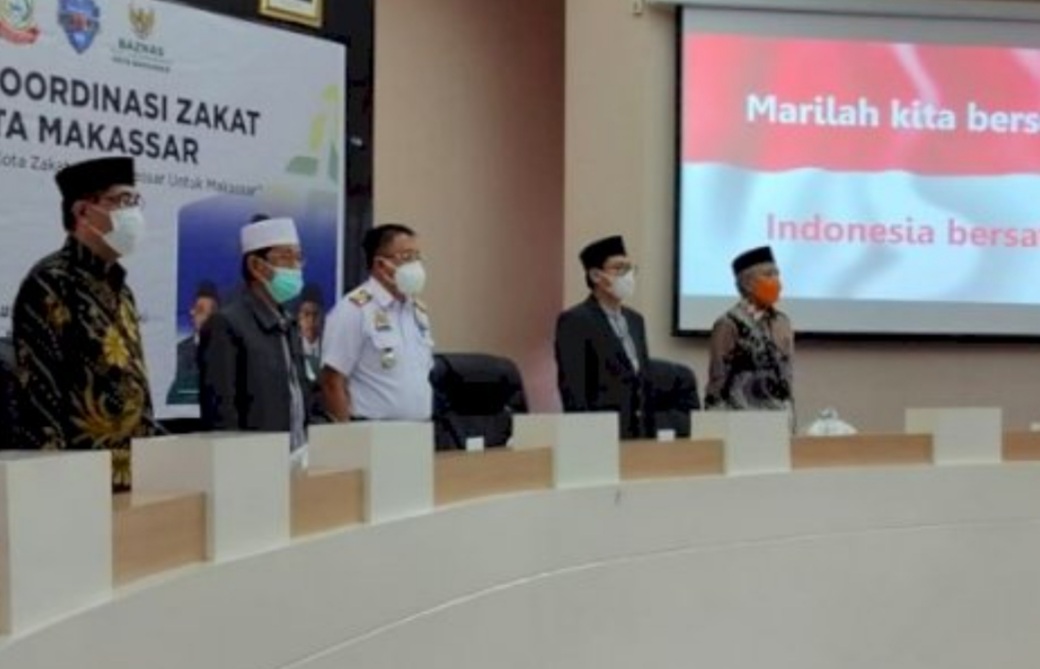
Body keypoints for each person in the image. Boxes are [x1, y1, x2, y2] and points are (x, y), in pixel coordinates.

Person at [11, 156, 156, 491]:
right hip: (79, 481)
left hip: (137, 474)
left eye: (135, 201)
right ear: (83, 211)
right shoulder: (50, 283)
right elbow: (40, 397)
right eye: (121, 200)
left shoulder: (122, 289)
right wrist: (54, 487)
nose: (133, 212)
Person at [197, 217, 309, 460]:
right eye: (286, 258)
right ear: (256, 266)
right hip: (252, 463)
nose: (295, 267)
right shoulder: (227, 324)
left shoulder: (288, 323)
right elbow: (222, 413)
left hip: (296, 458)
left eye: (298, 258)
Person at [321, 224, 434, 422]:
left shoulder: (417, 311)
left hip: (419, 430)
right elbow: (332, 381)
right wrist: (345, 435)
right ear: (381, 265)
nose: (416, 265)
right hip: (370, 430)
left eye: (417, 257)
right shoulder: (354, 310)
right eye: (407, 257)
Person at [554, 235, 653, 439]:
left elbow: (643, 380)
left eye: (630, 269)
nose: (627, 276)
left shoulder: (636, 320)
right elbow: (573, 387)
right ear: (596, 275)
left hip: (637, 433)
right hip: (599, 434)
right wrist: (585, 436)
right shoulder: (575, 320)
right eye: (619, 268)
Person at [703, 245, 794, 415]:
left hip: (778, 415)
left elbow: (787, 376)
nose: (776, 281)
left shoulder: (782, 322)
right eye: (768, 275)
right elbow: (718, 380)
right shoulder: (728, 324)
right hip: (739, 417)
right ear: (747, 284)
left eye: (777, 274)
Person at [166, 280, 219, 405]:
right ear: (192, 312)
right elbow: (174, 397)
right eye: (200, 310)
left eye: (211, 313)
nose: (206, 317)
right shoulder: (179, 351)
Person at [297, 282, 324, 384]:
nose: (311, 320)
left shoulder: (331, 345)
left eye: (315, 314)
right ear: (298, 317)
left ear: (323, 316)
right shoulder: (290, 346)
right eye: (306, 314)